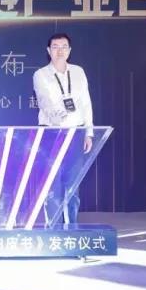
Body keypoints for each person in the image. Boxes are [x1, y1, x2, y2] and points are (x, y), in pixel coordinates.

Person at [32, 33, 93, 227]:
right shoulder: (41, 74)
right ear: (48, 50)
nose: (60, 51)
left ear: (69, 50)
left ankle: (71, 227)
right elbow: (45, 102)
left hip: (75, 133)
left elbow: (86, 103)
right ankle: (54, 228)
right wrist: (62, 120)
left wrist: (88, 132)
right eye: (55, 47)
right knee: (52, 183)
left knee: (73, 185)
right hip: (52, 133)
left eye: (64, 46)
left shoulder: (78, 72)